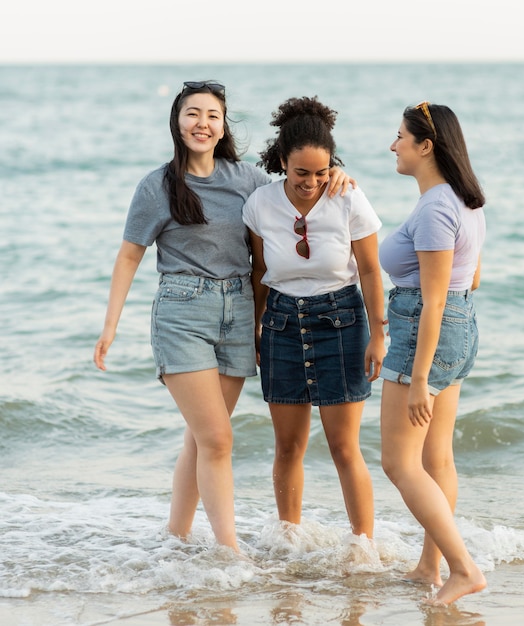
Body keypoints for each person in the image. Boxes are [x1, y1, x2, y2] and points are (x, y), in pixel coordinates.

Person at [93, 81, 352, 551]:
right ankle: (229, 551)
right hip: (182, 313)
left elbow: (299, 188)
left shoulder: (247, 180)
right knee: (217, 439)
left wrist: (337, 175)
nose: (202, 123)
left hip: (240, 313)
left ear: (222, 125)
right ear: (177, 121)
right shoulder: (157, 186)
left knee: (201, 438)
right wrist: (110, 325)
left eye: (212, 115)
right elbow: (129, 255)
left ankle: (177, 536)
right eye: (192, 114)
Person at [242, 96, 385, 539]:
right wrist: (256, 327)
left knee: (344, 447)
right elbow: (259, 272)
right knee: (288, 447)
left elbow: (369, 270)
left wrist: (378, 335)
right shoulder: (260, 204)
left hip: (341, 320)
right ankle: (289, 542)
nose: (312, 182)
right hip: (282, 324)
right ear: (282, 161)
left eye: (321, 173)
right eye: (301, 172)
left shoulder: (348, 198)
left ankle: (364, 546)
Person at [378, 101, 487, 605]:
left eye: (400, 136)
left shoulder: (438, 208)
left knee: (399, 464)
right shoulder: (465, 201)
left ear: (426, 146)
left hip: (427, 330)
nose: (393, 144)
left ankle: (462, 569)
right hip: (458, 328)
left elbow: (434, 298)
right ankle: (430, 566)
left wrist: (419, 376)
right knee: (435, 456)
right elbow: (471, 278)